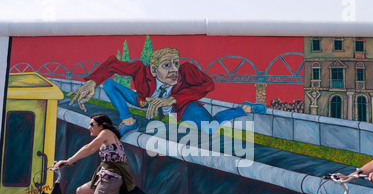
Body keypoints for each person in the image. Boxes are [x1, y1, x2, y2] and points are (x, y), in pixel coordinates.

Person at [69, 47, 265, 135]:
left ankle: (245, 109)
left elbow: (208, 85)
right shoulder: (140, 70)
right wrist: (93, 82)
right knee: (109, 85)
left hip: (181, 107)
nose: (173, 70)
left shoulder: (187, 71)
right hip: (143, 101)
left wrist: (172, 99)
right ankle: (129, 122)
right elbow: (112, 64)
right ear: (154, 70)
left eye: (175, 64)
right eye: (166, 65)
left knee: (210, 128)